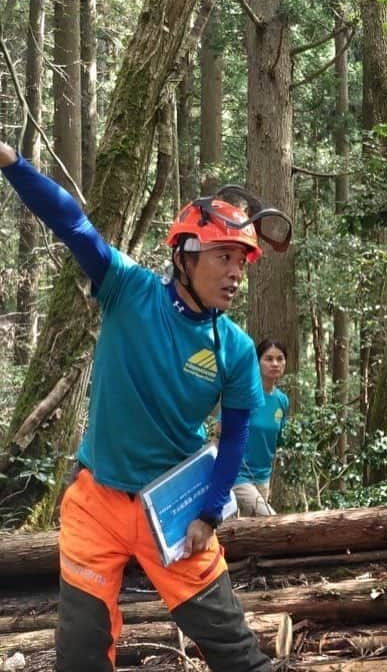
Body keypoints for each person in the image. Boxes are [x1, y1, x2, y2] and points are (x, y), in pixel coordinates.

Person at [0, 142, 291, 671]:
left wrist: (209, 511)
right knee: (81, 654)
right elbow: (72, 224)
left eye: (242, 262)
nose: (235, 273)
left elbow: (236, 438)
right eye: (223, 256)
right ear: (185, 255)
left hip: (176, 510)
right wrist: (12, 165)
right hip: (97, 502)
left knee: (235, 652)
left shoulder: (237, 349)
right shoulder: (128, 290)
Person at [230, 338, 290, 516]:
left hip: (263, 477)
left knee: (253, 535)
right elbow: (221, 431)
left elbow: (279, 439)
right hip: (238, 474)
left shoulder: (282, 400)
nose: (275, 364)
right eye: (268, 358)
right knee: (269, 521)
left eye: (280, 359)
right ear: (257, 362)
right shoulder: (244, 394)